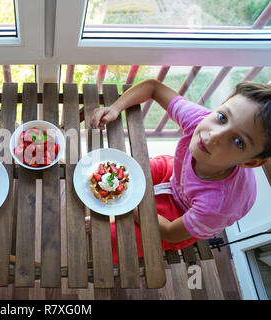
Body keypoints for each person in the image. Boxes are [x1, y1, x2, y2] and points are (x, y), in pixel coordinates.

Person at [89, 79, 270, 262]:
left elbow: (170, 233)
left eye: (239, 142)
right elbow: (153, 88)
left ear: (252, 162)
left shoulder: (218, 206)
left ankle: (107, 226)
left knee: (114, 240)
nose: (213, 135)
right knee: (112, 174)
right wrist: (115, 107)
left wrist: (129, 206)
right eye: (223, 117)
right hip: (174, 172)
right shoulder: (200, 120)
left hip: (180, 214)